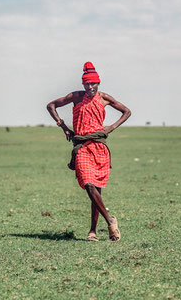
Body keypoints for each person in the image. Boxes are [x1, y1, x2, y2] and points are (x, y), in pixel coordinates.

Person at [46, 62, 131, 242]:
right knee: (88, 184)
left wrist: (111, 127)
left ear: (98, 83)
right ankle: (110, 221)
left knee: (96, 191)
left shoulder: (104, 98)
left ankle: (93, 230)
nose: (90, 87)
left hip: (99, 147)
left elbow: (127, 111)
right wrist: (64, 127)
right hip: (82, 147)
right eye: (87, 84)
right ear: (83, 84)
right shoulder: (76, 97)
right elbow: (51, 105)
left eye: (93, 84)